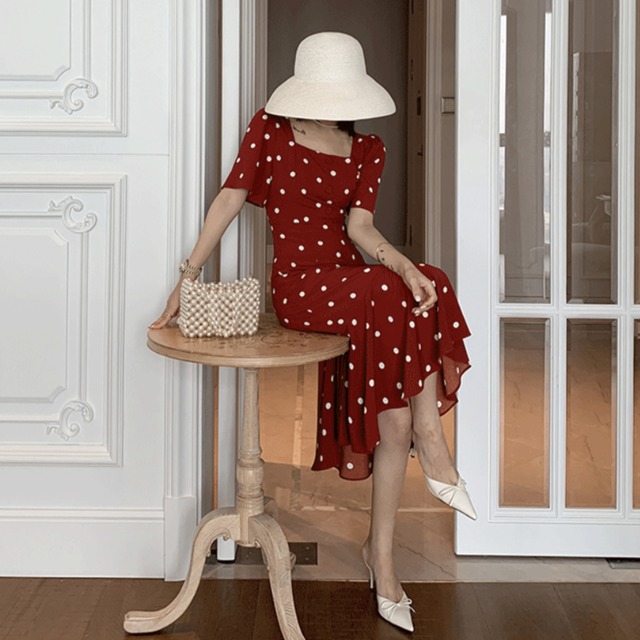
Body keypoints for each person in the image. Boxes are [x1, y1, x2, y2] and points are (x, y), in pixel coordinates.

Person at [149, 31, 475, 634]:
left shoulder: (368, 148)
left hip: (357, 287)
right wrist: (186, 278)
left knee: (422, 301)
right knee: (398, 293)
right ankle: (435, 446)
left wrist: (404, 265)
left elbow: (360, 229)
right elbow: (229, 199)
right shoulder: (271, 130)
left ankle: (381, 555)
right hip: (302, 288)